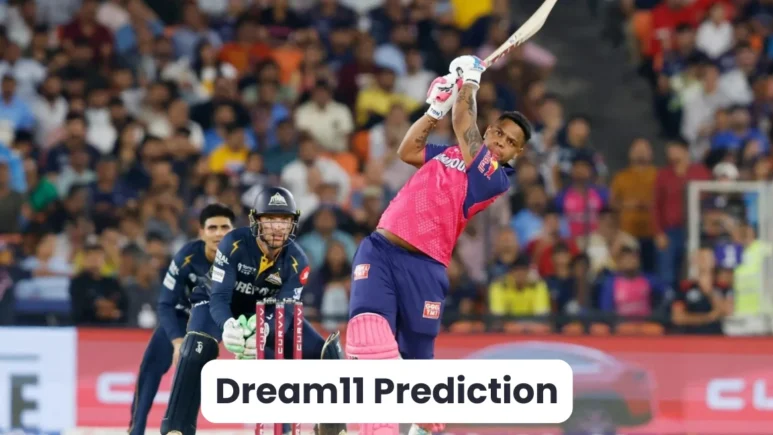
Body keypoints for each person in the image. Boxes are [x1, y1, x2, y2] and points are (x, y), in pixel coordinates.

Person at [345, 55, 532, 435]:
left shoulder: (493, 177)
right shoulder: (448, 153)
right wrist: (434, 110)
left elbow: (464, 121)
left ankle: (425, 421)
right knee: (367, 339)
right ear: (490, 130)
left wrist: (470, 81)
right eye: (499, 133)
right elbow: (408, 151)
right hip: (380, 250)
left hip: (425, 268)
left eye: (511, 143)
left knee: (419, 372)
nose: (501, 143)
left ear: (517, 154)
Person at [161, 187, 345, 435]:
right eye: (270, 219)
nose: (278, 227)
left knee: (328, 354)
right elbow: (219, 297)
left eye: (284, 220)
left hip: (268, 312)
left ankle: (332, 429)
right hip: (221, 304)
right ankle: (176, 429)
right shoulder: (233, 243)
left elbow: (286, 312)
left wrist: (264, 329)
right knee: (196, 348)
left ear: (293, 223)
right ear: (256, 221)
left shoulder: (297, 261)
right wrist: (228, 325)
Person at [127, 203, 235, 435]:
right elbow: (165, 304)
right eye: (212, 228)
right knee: (151, 364)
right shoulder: (187, 257)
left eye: (225, 227)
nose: (219, 233)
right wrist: (177, 341)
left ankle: (184, 429)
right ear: (201, 232)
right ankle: (136, 429)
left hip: (215, 320)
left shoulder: (242, 259)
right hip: (181, 316)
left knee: (194, 364)